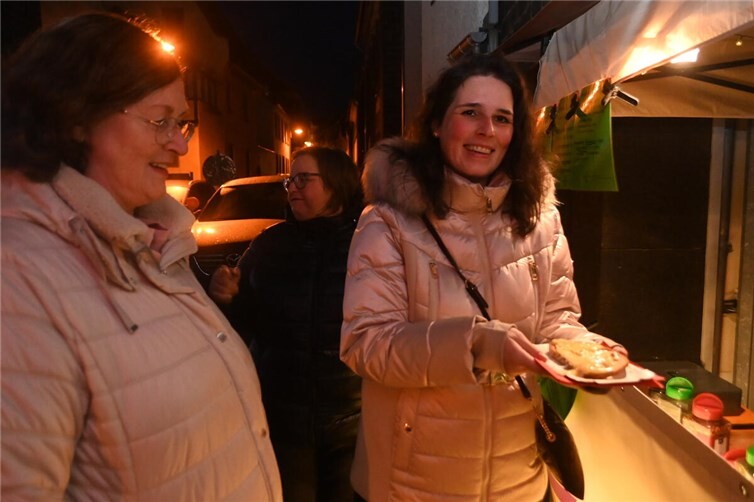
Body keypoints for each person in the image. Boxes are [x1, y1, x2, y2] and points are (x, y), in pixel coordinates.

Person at [1, 13, 281, 501]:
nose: (180, 144)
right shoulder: (19, 280)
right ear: (76, 118)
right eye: (160, 120)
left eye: (181, 121)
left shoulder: (157, 245)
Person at [339, 53, 627, 501]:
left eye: (502, 118)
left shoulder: (541, 219)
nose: (486, 130)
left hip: (519, 480)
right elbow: (365, 343)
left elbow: (557, 321)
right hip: (414, 483)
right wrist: (475, 345)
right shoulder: (388, 221)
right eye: (470, 113)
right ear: (437, 124)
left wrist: (587, 352)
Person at [209, 146, 363, 502]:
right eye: (290, 181)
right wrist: (226, 296)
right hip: (285, 421)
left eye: (303, 179)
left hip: (351, 423)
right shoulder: (270, 245)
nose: (292, 188)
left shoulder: (366, 244)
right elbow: (243, 324)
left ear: (337, 184)